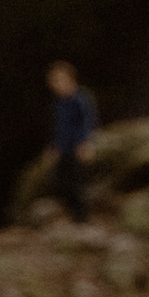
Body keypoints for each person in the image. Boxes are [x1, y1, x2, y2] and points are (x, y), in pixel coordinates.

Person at [45, 62, 98, 224]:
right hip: (64, 148)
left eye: (60, 80)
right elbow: (59, 127)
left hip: (77, 147)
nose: (57, 85)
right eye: (54, 81)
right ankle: (71, 215)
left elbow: (87, 123)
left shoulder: (80, 99)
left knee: (77, 183)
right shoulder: (60, 103)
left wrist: (84, 144)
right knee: (61, 182)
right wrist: (55, 146)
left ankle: (82, 218)